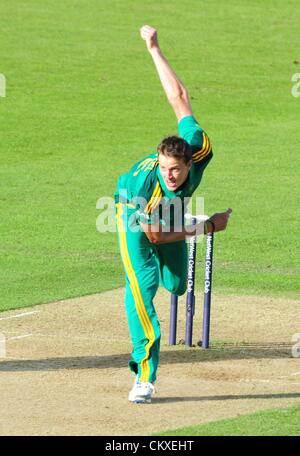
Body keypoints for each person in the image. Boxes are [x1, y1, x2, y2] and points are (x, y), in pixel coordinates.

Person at [114, 25, 232, 403]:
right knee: (141, 294)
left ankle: (179, 251)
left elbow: (178, 97)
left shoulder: (197, 150)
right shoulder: (147, 184)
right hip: (135, 217)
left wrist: (154, 48)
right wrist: (205, 226)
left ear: (188, 162)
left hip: (170, 216)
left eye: (175, 169)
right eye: (165, 167)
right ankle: (144, 378)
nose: (170, 173)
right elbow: (153, 235)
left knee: (178, 284)